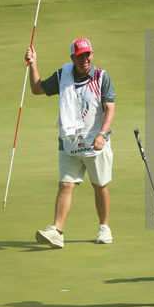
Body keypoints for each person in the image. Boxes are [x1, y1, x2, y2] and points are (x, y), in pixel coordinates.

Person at [24, 38, 116, 249]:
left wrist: (102, 134)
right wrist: (33, 64)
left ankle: (104, 227)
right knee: (65, 184)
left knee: (99, 185)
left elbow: (109, 109)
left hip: (95, 143)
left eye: (88, 55)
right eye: (80, 56)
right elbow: (37, 89)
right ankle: (57, 231)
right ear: (72, 58)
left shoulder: (102, 77)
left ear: (92, 55)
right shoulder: (62, 75)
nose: (85, 59)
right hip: (69, 141)